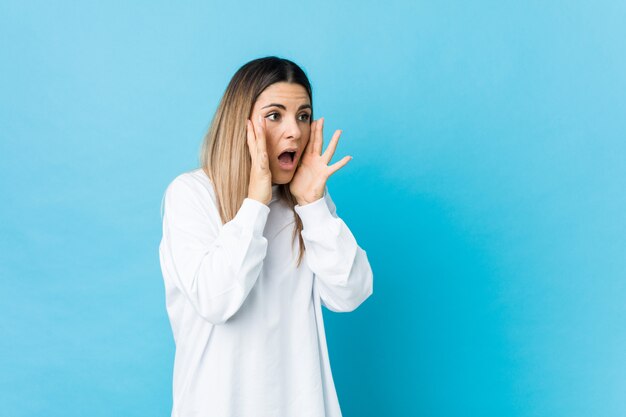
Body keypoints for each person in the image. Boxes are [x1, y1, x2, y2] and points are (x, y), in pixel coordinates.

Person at [158, 56, 374, 417]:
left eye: (303, 115)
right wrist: (255, 205)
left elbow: (351, 292)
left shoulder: (306, 203)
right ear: (240, 124)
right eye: (275, 115)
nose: (294, 131)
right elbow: (216, 300)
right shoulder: (191, 194)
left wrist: (314, 206)